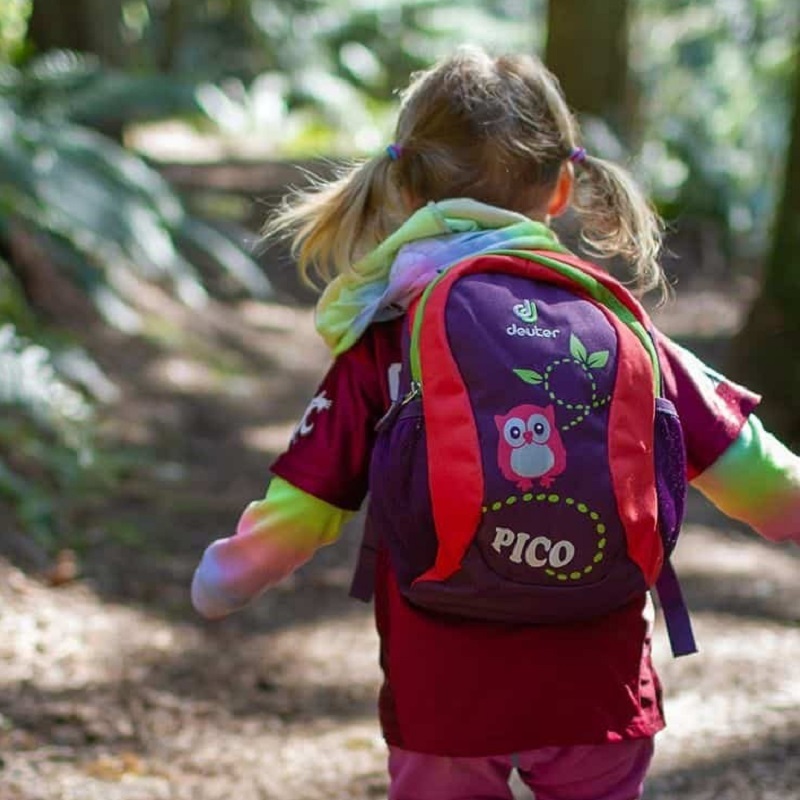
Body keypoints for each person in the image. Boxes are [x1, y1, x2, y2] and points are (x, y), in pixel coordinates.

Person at [191, 47, 800, 800]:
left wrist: (228, 577)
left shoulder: (391, 338)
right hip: (599, 687)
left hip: (442, 692)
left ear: (405, 183)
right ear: (563, 188)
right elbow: (763, 481)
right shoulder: (622, 328)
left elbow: (305, 504)